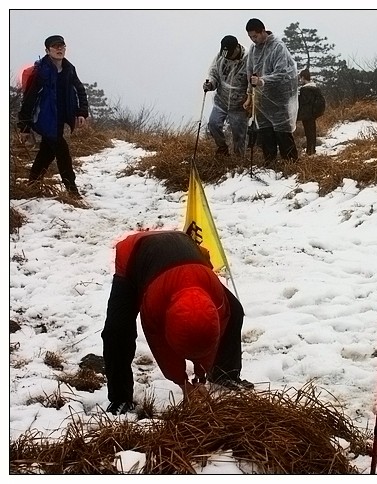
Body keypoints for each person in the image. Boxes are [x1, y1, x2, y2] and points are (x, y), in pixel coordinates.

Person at [101, 230, 253, 415]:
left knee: (235, 311)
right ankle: (120, 397)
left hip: (189, 260)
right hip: (135, 256)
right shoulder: (155, 303)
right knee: (117, 331)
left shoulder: (215, 292)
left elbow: (213, 332)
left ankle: (225, 375)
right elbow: (160, 344)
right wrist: (182, 383)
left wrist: (200, 377)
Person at [17, 35, 89, 197]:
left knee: (47, 152)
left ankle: (32, 184)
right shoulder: (41, 71)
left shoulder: (69, 69)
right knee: (63, 153)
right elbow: (29, 98)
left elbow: (80, 90)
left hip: (60, 119)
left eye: (61, 46)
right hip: (46, 120)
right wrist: (24, 126)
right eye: (55, 46)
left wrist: (81, 112)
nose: (59, 49)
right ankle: (72, 191)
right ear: (47, 50)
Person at [243, 18, 299, 164]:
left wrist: (262, 81)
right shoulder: (253, 50)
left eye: (255, 36)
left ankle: (291, 165)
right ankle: (270, 165)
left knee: (282, 131)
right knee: (265, 132)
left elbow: (282, 73)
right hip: (261, 99)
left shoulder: (277, 47)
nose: (253, 40)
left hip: (279, 97)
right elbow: (250, 73)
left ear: (263, 31)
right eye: (250, 37)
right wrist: (249, 96)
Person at [203, 35, 250, 158]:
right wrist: (210, 84)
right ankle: (222, 148)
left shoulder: (249, 59)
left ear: (237, 48)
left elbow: (252, 82)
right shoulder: (221, 56)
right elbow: (214, 73)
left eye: (230, 54)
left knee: (239, 134)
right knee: (213, 124)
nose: (227, 57)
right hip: (221, 100)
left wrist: (249, 98)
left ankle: (239, 159)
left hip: (239, 104)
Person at [296, 69, 326, 156]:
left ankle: (310, 151)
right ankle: (312, 150)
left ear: (303, 77)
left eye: (300, 78)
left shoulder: (305, 90)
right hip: (313, 114)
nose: (300, 80)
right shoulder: (316, 88)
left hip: (307, 115)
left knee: (308, 133)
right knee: (312, 132)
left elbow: (303, 103)